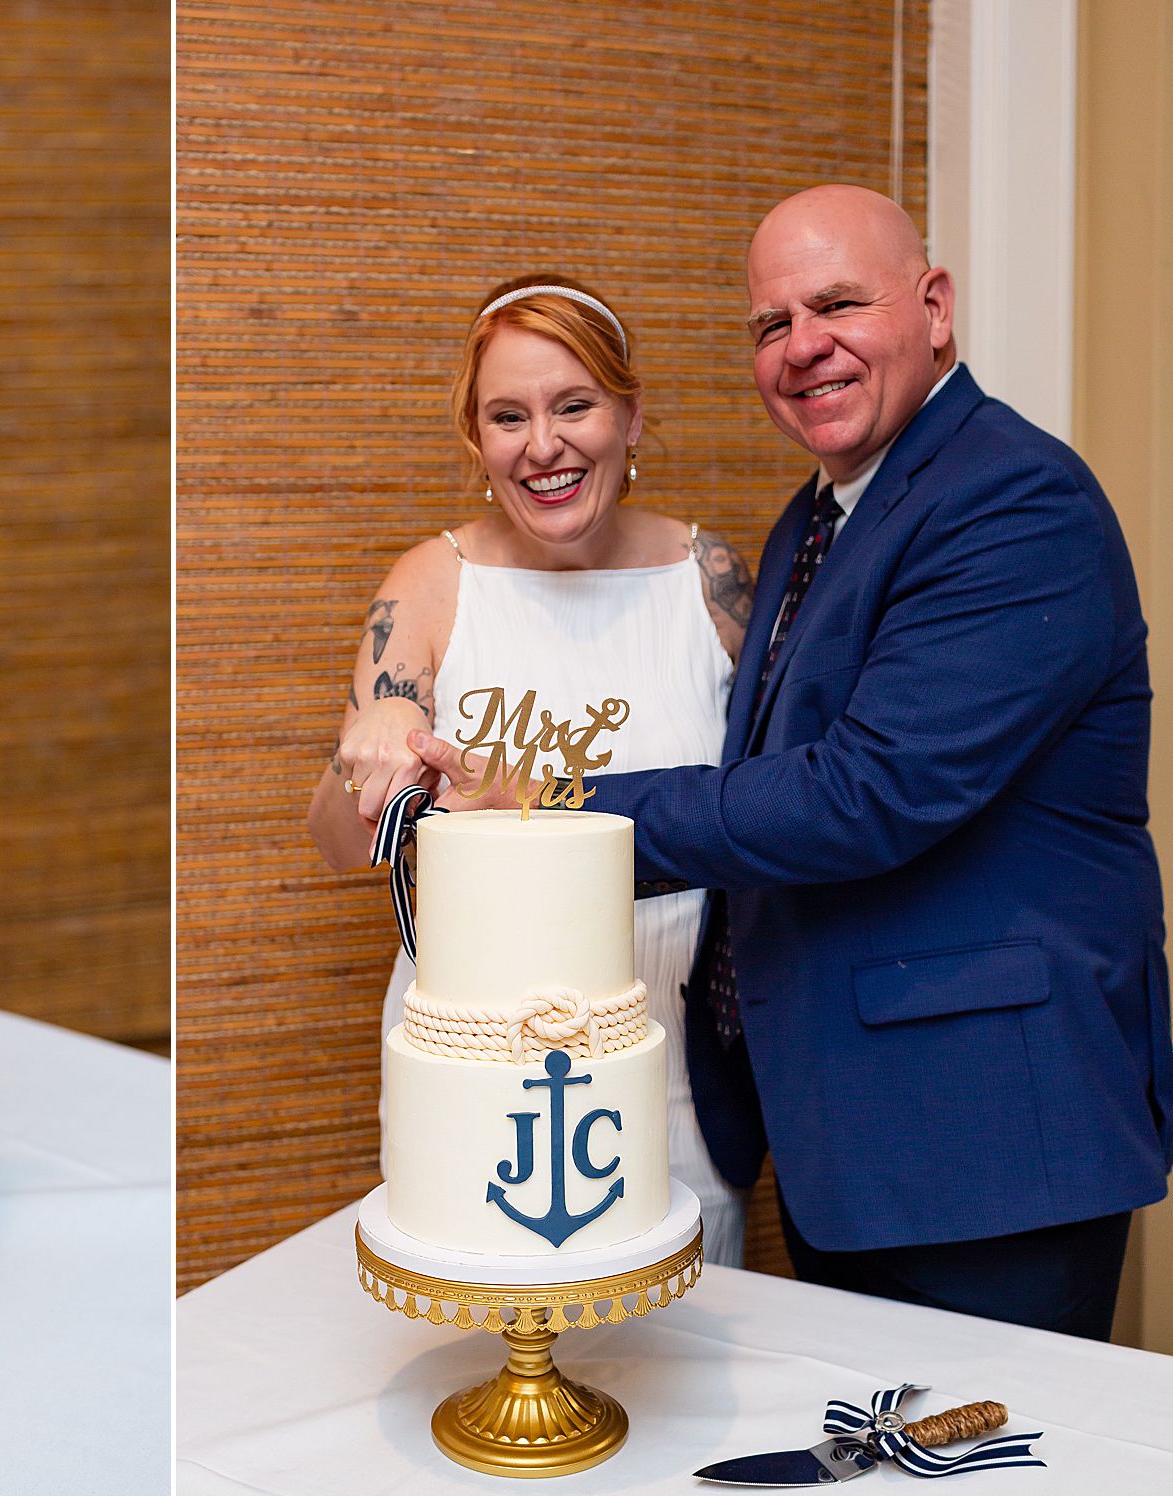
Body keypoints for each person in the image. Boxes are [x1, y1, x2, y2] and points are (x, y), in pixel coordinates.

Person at [412, 186, 1173, 1340]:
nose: (801, 345)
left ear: (933, 308)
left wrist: (554, 804)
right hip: (844, 1132)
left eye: (835, 304)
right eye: (770, 324)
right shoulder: (813, 519)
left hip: (981, 1135)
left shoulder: (1013, 501)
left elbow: (860, 795)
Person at [307, 274, 757, 1266]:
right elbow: (345, 843)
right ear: (474, 439)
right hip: (475, 1064)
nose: (541, 444)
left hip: (676, 1060)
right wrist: (367, 751)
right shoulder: (428, 585)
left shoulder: (709, 581)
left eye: (573, 405)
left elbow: (775, 806)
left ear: (629, 415)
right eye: (506, 415)